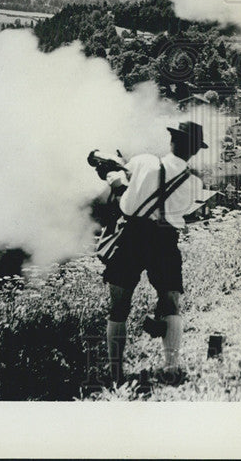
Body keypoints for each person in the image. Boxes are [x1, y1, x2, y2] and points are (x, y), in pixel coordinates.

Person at [93, 121, 209, 386]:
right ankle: (171, 367)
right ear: (194, 151)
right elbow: (182, 212)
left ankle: (116, 374)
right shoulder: (194, 183)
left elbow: (126, 197)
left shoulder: (144, 161)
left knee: (119, 306)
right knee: (170, 302)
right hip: (165, 239)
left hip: (132, 236)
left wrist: (117, 181)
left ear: (172, 141)